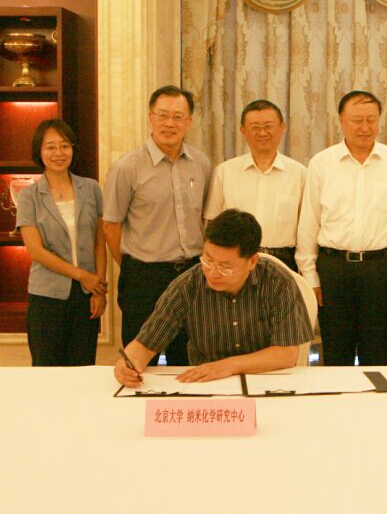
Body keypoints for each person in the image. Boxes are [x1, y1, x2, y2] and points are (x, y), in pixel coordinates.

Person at [113, 209, 314, 387]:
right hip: (206, 386)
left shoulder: (278, 283)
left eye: (225, 267)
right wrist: (128, 363)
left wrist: (229, 366)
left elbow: (286, 354)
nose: (213, 273)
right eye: (208, 260)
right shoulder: (188, 285)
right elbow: (145, 343)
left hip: (266, 382)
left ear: (252, 261)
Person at [296, 90, 387, 366]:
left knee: (376, 352)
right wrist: (310, 276)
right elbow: (309, 224)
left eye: (371, 120)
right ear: (341, 120)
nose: (365, 127)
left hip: (380, 269)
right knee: (336, 353)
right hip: (333, 269)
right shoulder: (322, 163)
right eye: (357, 120)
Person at [103, 85, 212, 366]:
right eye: (162, 115)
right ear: (150, 118)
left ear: (189, 122)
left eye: (177, 117)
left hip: (191, 274)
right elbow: (111, 224)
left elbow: (205, 218)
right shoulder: (127, 167)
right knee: (140, 362)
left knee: (186, 359)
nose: (169, 123)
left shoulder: (201, 164)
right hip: (143, 278)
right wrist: (131, 264)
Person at [16, 119, 107, 366]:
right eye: (50, 147)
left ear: (73, 149)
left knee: (83, 368)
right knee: (47, 371)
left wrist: (99, 288)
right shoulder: (28, 196)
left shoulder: (91, 188)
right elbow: (36, 251)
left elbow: (100, 240)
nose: (59, 153)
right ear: (39, 152)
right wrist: (82, 275)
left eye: (65, 146)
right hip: (47, 297)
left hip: (87, 295)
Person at [205, 99, 305, 271]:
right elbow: (212, 223)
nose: (262, 132)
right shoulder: (225, 172)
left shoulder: (300, 174)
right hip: (234, 261)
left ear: (282, 128)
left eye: (268, 126)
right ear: (243, 130)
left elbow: (306, 229)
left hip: (284, 262)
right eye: (255, 127)